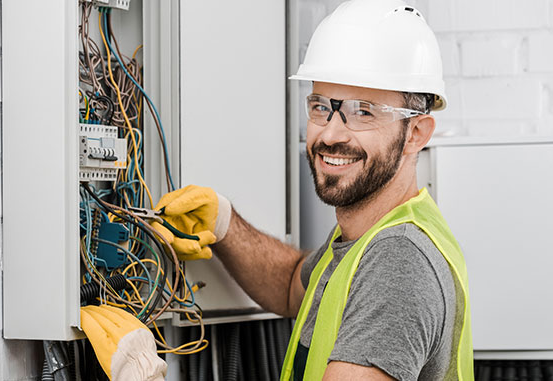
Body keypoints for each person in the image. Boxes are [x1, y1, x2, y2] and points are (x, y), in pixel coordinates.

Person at [152, 0, 473, 379]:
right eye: (321, 107)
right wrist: (224, 224)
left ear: (416, 134)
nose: (331, 134)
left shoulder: (397, 258)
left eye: (363, 111)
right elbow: (291, 285)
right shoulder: (365, 238)